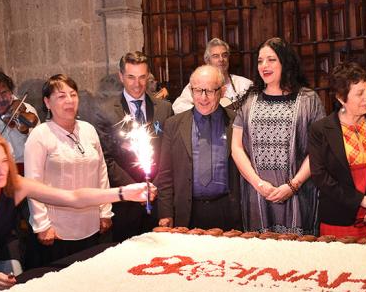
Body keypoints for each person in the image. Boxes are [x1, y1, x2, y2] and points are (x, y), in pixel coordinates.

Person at [0, 131, 154, 292]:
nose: (2, 171)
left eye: (4, 162)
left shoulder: (15, 184)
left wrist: (124, 192)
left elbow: (73, 197)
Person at [231, 37, 325, 235]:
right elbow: (236, 148)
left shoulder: (309, 99)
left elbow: (318, 149)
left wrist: (292, 186)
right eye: (260, 61)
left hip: (299, 195)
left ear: (285, 62)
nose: (264, 65)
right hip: (258, 196)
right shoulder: (248, 100)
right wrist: (259, 184)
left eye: (271, 60)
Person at [24, 74, 113, 267]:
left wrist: (105, 210)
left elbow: (101, 172)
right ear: (47, 102)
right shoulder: (40, 135)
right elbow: (32, 184)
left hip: (90, 223)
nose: (69, 101)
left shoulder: (88, 129)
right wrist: (42, 224)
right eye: (61, 96)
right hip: (57, 229)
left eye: (73, 95)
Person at [308, 63, 366, 237]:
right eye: (360, 93)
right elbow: (320, 176)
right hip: (338, 220)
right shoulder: (320, 130)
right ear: (341, 98)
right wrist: (361, 200)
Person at [94, 51, 173, 240]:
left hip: (159, 199)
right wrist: (136, 190)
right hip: (125, 204)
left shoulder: (164, 109)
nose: (137, 84)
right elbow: (107, 159)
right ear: (121, 76)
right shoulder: (105, 112)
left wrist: (155, 190)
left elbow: (169, 156)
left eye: (142, 77)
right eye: (131, 77)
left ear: (148, 76)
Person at [156, 65, 242, 230]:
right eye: (197, 90)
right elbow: (165, 174)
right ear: (191, 91)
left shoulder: (236, 122)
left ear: (222, 92)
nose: (203, 97)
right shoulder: (173, 125)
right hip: (187, 212)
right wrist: (165, 213)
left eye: (210, 91)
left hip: (227, 211)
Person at [172, 38, 254, 113]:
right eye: (216, 56)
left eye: (224, 55)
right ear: (208, 61)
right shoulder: (197, 84)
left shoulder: (245, 84)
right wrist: (204, 111)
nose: (221, 59)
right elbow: (178, 107)